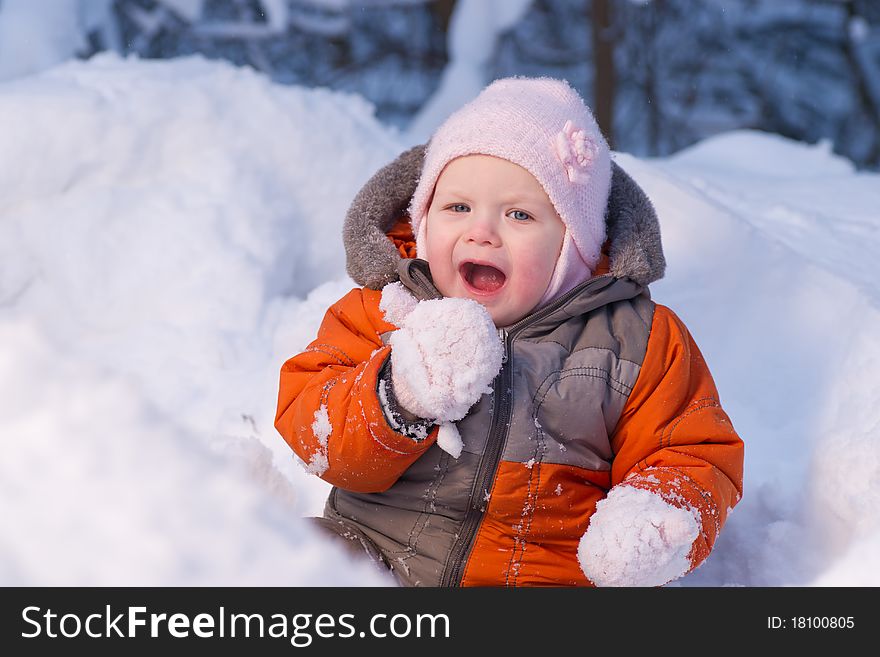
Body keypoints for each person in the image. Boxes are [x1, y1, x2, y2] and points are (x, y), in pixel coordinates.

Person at [274, 77, 744, 587]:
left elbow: (690, 451)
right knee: (291, 559)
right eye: (458, 207)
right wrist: (398, 395)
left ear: (574, 246)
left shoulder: (636, 341)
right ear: (423, 220)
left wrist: (652, 515)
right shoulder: (384, 311)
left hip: (540, 582)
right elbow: (315, 428)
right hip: (374, 556)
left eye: (519, 214)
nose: (481, 231)